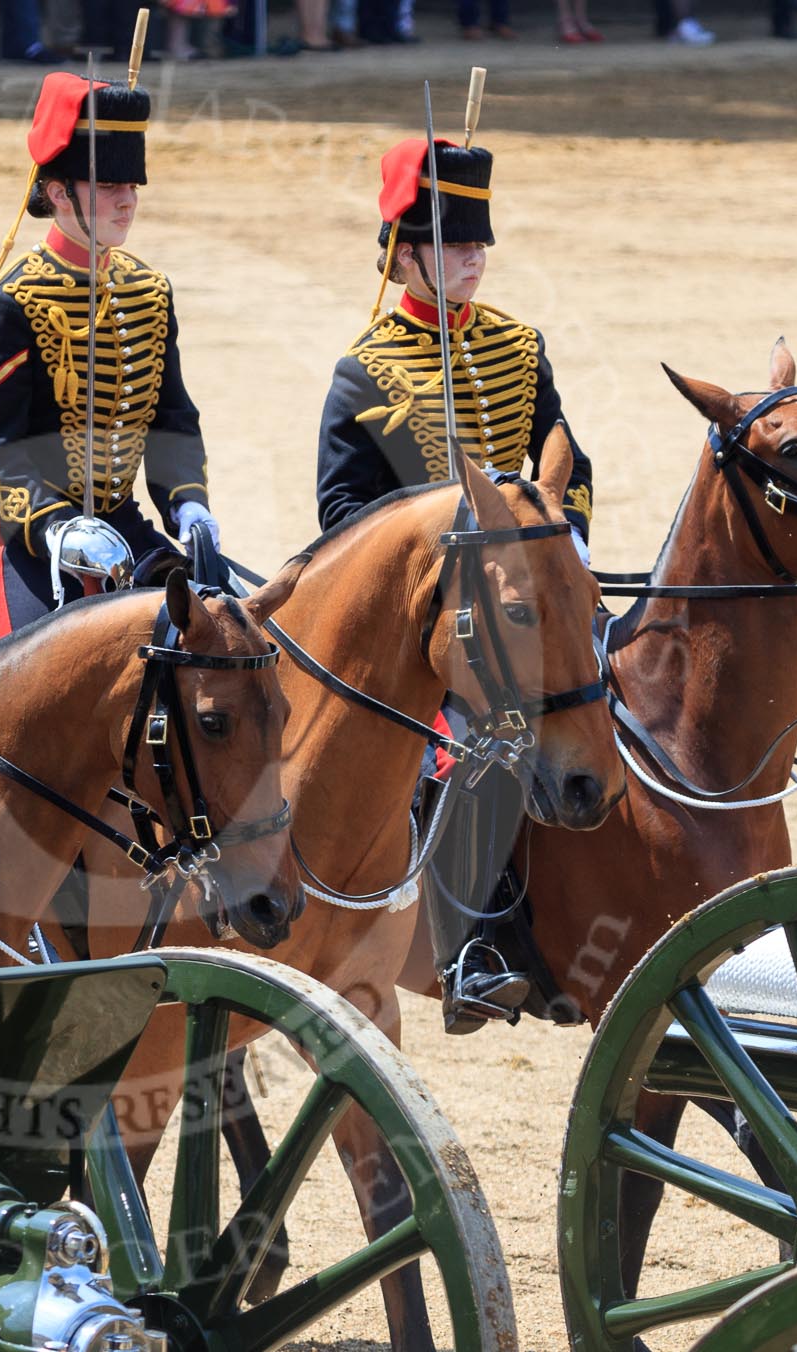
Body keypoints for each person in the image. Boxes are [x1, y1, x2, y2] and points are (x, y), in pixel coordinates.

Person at [314, 137, 594, 1033]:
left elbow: (565, 457)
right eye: (452, 243)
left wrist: (565, 539)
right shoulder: (366, 369)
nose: (473, 257)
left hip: (527, 589)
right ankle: (471, 943)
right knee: (470, 740)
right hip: (429, 617)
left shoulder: (516, 346)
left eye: (479, 244)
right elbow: (343, 510)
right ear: (404, 254)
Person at [0, 71, 214, 639]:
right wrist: (55, 527)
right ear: (58, 192)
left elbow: (172, 418)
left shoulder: (149, 291)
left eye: (133, 185)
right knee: (37, 695)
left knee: (235, 646)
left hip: (123, 524)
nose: (127, 200)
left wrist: (187, 503)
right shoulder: (10, 304)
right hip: (28, 541)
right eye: (108, 186)